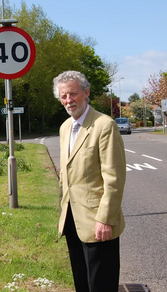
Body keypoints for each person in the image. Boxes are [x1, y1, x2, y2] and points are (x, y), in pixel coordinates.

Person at [53, 70, 126, 292]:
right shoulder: (65, 127)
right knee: (82, 284)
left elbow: (114, 178)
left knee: (101, 285)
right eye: (63, 96)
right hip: (72, 220)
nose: (68, 100)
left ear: (86, 93)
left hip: (98, 222)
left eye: (73, 94)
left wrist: (105, 219)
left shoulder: (105, 125)